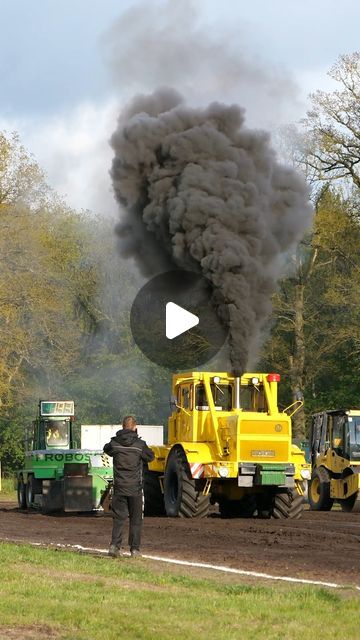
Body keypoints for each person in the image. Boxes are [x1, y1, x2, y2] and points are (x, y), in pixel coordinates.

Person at [103, 415, 154, 558]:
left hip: (119, 487)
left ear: (122, 426)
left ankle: (114, 547)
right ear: (134, 427)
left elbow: (106, 449)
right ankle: (135, 550)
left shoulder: (114, 443)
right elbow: (150, 457)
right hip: (135, 488)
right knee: (136, 520)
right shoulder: (140, 445)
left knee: (119, 518)